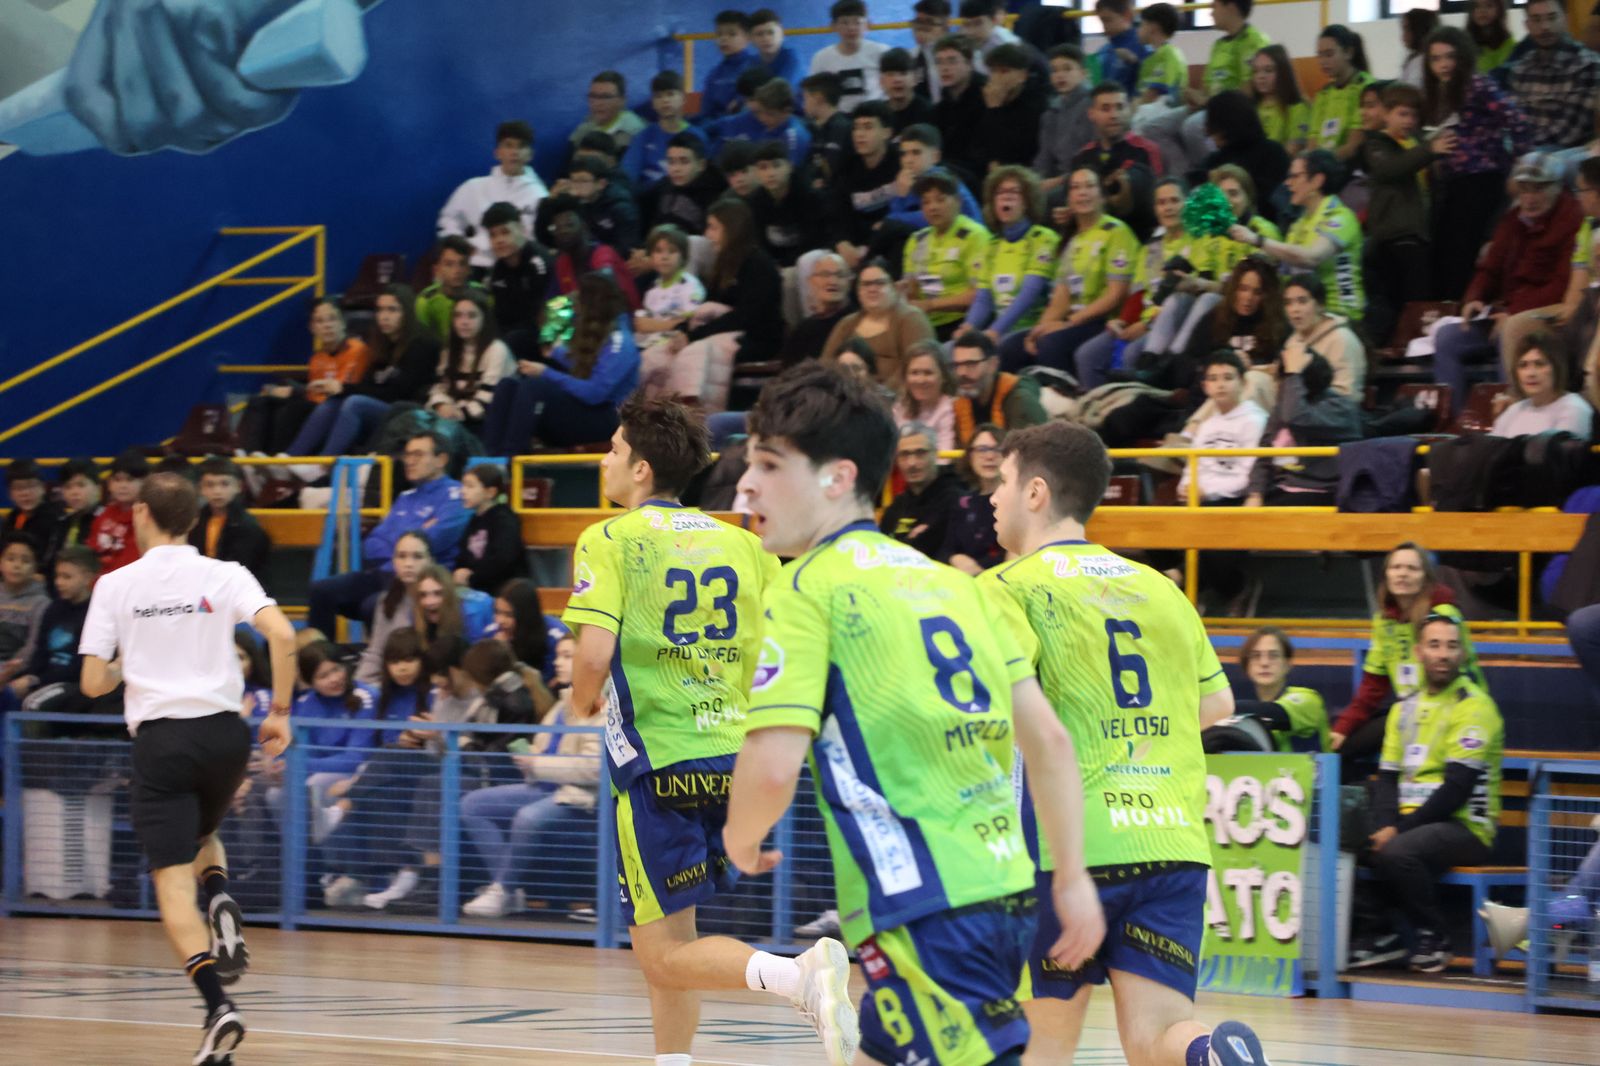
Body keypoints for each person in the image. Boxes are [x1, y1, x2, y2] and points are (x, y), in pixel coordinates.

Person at [730, 363, 1104, 1066]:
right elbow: (1049, 743)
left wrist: (740, 837)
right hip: (1001, 887)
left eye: (769, 464)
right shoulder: (960, 588)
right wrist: (1072, 877)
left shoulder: (806, 588)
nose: (746, 484)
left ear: (837, 478)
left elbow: (773, 767)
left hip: (923, 908)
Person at [980, 419, 1269, 1066]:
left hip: (1064, 847)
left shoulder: (1005, 588)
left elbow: (996, 704)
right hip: (1170, 842)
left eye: (1002, 482)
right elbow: (1218, 706)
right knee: (1157, 1038)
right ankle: (1212, 1054)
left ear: (1035, 493)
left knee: (1042, 1045)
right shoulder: (1161, 589)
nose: (992, 498)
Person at [560, 396, 821, 1064]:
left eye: (613, 450)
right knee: (676, 941)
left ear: (641, 469)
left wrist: (580, 703)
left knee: (661, 955)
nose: (604, 460)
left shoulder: (609, 539)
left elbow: (592, 654)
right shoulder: (745, 544)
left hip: (659, 762)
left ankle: (798, 977)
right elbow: (785, 646)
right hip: (734, 760)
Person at [77, 472, 295, 1065]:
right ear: (195, 519)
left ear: (140, 512)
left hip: (163, 739)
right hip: (225, 735)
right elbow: (282, 634)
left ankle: (217, 1007)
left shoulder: (115, 583)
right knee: (203, 829)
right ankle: (220, 894)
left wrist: (128, 662)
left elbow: (92, 682)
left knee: (171, 882)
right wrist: (279, 713)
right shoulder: (225, 573)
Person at [1350, 613, 1504, 973]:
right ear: (1419, 652)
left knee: (1397, 851)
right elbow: (1387, 778)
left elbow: (1457, 789)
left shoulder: (1475, 707)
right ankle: (1381, 933)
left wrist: (1396, 831)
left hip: (1466, 826)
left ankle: (1435, 938)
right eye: (1434, 645)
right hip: (1411, 821)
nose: (1443, 654)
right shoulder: (1403, 709)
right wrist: (1385, 824)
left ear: (1462, 654)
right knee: (1343, 835)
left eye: (1451, 646)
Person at [459, 634, 601, 918]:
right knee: (472, 805)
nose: (557, 663)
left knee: (527, 817)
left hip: (580, 797)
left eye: (567, 656)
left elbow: (594, 767)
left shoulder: (602, 706)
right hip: (544, 786)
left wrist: (537, 764)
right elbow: (543, 747)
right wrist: (528, 758)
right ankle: (508, 891)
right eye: (558, 656)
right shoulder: (562, 703)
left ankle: (502, 890)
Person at [1434, 153, 1581, 410]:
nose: (1529, 198)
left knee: (1511, 330)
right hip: (1506, 311)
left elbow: (1560, 285)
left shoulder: (1572, 221)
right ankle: (1452, 420)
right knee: (1447, 338)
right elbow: (1489, 267)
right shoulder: (1512, 220)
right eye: (1524, 189)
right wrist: (1475, 298)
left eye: (1538, 189)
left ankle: (1513, 413)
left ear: (1558, 188)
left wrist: (1513, 312)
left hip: (1547, 314)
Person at [1329, 542, 1483, 771]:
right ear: (1386, 575)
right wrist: (1343, 727)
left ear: (1425, 578)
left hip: (1448, 708)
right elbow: (1373, 685)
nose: (1403, 574)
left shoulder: (1443, 614)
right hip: (1407, 710)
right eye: (1396, 567)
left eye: (1412, 568)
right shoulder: (1384, 621)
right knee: (1338, 747)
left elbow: (1462, 673)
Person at [306, 431, 469, 638]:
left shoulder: (456, 496)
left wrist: (400, 541)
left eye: (418, 454)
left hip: (422, 578)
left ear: (441, 460)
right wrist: (411, 537)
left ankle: (379, 655)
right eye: (407, 454)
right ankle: (321, 655)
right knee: (321, 591)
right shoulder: (406, 497)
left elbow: (434, 539)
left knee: (372, 606)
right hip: (385, 573)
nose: (409, 461)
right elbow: (372, 544)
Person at [1422, 26, 1532, 302]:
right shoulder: (1440, 91)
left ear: (1463, 56)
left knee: (1465, 252)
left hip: (1483, 177)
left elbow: (1517, 120)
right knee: (1446, 250)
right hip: (1455, 181)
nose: (1443, 64)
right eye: (1436, 59)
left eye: (1450, 56)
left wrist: (1519, 166)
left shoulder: (1478, 84)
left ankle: (1466, 310)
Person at [1000, 167, 1139, 382]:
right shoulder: (1072, 240)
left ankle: (1062, 396)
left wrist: (1068, 323)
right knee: (1010, 347)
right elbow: (1061, 298)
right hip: (1076, 321)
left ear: (1102, 196)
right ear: (1068, 199)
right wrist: (1037, 330)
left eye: (1089, 186)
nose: (1082, 192)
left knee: (1051, 343)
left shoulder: (1116, 232)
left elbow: (1115, 295)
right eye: (1075, 187)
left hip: (1104, 321)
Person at [482, 271, 641, 451]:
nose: (575, 303)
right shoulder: (606, 332)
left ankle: (511, 457)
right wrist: (556, 353)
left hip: (608, 419)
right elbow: (590, 369)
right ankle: (491, 458)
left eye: (580, 297)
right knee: (508, 385)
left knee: (534, 387)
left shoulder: (621, 342)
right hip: (589, 410)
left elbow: (595, 393)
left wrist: (545, 372)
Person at [300, 285, 442, 458]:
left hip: (408, 412)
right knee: (334, 401)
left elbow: (399, 393)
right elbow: (367, 385)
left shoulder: (422, 345)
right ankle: (291, 458)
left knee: (354, 402)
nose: (384, 316)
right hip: (384, 407)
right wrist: (340, 389)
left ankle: (325, 463)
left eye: (392, 310)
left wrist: (344, 388)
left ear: (407, 312)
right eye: (380, 310)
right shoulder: (381, 345)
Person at [1360, 83, 1450, 349]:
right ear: (1385, 114)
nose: (1409, 121)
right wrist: (1429, 150)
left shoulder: (1417, 143)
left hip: (1418, 236)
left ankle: (1414, 350)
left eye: (1413, 115)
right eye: (1402, 114)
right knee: (1396, 303)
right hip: (1392, 237)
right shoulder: (1376, 143)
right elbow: (1391, 168)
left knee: (1418, 302)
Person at [1230, 149, 1363, 324]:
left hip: (1339, 314)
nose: (1287, 183)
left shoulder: (1340, 217)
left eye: (1295, 176)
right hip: (1303, 311)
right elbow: (1284, 270)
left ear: (1317, 181)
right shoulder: (1299, 223)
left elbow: (1311, 257)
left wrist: (1257, 239)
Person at [240, 298, 371, 456]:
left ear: (343, 322)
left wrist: (295, 392)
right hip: (317, 403)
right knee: (261, 400)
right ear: (312, 328)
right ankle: (249, 454)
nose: (327, 326)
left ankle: (279, 459)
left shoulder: (358, 350)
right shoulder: (317, 358)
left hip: (337, 407)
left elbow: (341, 389)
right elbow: (313, 393)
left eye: (332, 319)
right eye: (320, 321)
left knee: (295, 407)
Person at [1179, 257, 1289, 412]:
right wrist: (1224, 361)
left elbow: (1282, 371)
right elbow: (1188, 362)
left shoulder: (1279, 325)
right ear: (1233, 289)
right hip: (1209, 397)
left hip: (1254, 403)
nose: (1248, 298)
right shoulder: (1215, 317)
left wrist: (1253, 367)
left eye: (1257, 292)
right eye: (1243, 289)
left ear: (1267, 296)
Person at [437, 121, 548, 272]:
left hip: (519, 269)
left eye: (521, 146)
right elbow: (447, 220)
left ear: (530, 154)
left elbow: (538, 240)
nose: (515, 152)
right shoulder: (474, 187)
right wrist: (461, 246)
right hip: (476, 266)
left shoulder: (540, 195)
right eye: (508, 145)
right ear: (497, 152)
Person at [1203, 627, 1331, 753]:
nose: (1264, 663)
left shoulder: (1309, 700)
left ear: (1287, 664)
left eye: (1274, 655)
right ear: (1246, 665)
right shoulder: (1245, 709)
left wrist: (1216, 708)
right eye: (1256, 656)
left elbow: (1276, 713)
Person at [6, 546, 99, 715]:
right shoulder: (53, 608)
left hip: (75, 683)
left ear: (87, 578)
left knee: (32, 704)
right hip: (45, 678)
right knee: (6, 691)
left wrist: (35, 680)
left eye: (67, 577)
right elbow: (40, 652)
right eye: (57, 576)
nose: (59, 582)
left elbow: (81, 667)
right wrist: (26, 677)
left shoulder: (97, 612)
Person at [901, 171, 991, 339]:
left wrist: (931, 305)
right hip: (925, 324)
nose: (932, 207)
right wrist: (901, 291)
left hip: (964, 322)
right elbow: (911, 290)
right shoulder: (917, 240)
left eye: (940, 199)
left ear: (958, 202)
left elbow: (981, 294)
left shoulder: (975, 235)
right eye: (926, 202)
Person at [822, 259, 937, 385]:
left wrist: (879, 394)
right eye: (866, 284)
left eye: (879, 283)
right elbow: (825, 365)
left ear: (894, 287)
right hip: (847, 392)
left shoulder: (911, 319)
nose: (872, 289)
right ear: (858, 291)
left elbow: (915, 366)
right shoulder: (846, 324)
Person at [1507, 0, 1600, 151]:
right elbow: (1514, 120)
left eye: (1552, 17)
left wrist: (1523, 147)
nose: (1545, 27)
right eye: (1536, 20)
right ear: (1527, 25)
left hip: (1567, 153)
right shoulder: (1522, 67)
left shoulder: (1587, 64)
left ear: (1566, 20)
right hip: (1523, 149)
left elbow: (1569, 133)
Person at [425, 290, 512, 435]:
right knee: (403, 409)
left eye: (472, 316)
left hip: (481, 425)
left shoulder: (497, 350)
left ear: (484, 319)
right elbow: (439, 388)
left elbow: (487, 402)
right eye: (458, 315)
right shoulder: (449, 350)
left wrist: (455, 414)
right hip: (453, 418)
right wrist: (441, 405)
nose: (464, 322)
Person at [1192, 92, 1289, 221]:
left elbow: (1273, 202)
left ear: (1226, 125)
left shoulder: (1272, 153)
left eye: (1211, 124)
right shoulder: (1214, 159)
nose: (1207, 131)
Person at [354, 531, 434, 687]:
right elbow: (376, 653)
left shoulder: (439, 600)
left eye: (417, 557)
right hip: (394, 684)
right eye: (401, 556)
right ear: (393, 561)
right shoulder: (386, 601)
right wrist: (358, 687)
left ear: (430, 561)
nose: (408, 564)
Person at [826, 101, 901, 267]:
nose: (859, 134)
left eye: (868, 127)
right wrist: (842, 242)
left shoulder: (901, 164)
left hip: (890, 245)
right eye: (856, 128)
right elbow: (837, 214)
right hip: (854, 245)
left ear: (887, 132)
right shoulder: (846, 168)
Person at [878, 421, 966, 556]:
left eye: (920, 453)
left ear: (935, 454)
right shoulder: (895, 508)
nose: (912, 463)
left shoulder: (957, 500)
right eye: (904, 454)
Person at [540, 194, 641, 309]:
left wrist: (567, 301)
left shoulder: (603, 254)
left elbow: (603, 290)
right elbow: (550, 306)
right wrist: (563, 305)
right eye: (557, 228)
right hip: (586, 318)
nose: (563, 231)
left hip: (622, 315)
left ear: (584, 226)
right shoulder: (562, 263)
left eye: (569, 225)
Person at [1279, 268, 1366, 400]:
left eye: (1302, 301)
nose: (1294, 309)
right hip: (1298, 408)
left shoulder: (1342, 339)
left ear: (1320, 305)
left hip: (1332, 410)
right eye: (1288, 303)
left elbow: (1346, 396)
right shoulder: (1293, 341)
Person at [950, 330, 1048, 443]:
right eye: (957, 365)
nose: (961, 373)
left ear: (993, 364)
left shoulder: (1021, 401)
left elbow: (1039, 450)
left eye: (971, 364)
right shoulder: (958, 404)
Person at [1492, 333, 1595, 438]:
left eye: (1540, 364)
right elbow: (1492, 446)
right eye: (1523, 365)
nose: (1530, 373)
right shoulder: (1514, 410)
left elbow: (1559, 448)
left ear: (1557, 368)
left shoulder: (1574, 409)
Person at [939, 424, 1007, 573]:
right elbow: (945, 550)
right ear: (970, 456)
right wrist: (954, 558)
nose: (989, 456)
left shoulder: (1017, 502)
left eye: (997, 449)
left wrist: (976, 569)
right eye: (982, 449)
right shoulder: (962, 503)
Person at [971, 43, 1048, 174]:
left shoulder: (1036, 105)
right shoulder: (987, 98)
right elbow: (977, 147)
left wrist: (994, 110)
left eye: (1004, 71)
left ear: (1022, 76)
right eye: (993, 71)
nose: (996, 77)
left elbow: (1016, 150)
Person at [452, 464, 528, 596]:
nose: (463, 491)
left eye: (470, 486)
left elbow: (502, 560)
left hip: (504, 591)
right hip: (477, 590)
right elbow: (463, 555)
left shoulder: (504, 520)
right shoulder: (474, 520)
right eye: (463, 485)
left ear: (490, 492)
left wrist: (472, 577)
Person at [748, 141, 827, 268]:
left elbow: (813, 240)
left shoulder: (809, 196)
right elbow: (759, 242)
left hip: (807, 260)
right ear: (756, 173)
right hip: (773, 264)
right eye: (763, 168)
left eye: (776, 165)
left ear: (790, 166)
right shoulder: (755, 201)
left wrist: (785, 265)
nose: (770, 173)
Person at [188, 458, 269, 581]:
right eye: (210, 485)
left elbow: (241, 569)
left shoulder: (247, 526)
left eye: (225, 484)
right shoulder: (195, 522)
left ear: (239, 486)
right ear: (200, 489)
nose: (217, 491)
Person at [623, 72, 706, 188]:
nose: (665, 100)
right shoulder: (643, 137)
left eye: (670, 94)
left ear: (683, 98)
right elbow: (627, 177)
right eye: (658, 96)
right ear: (653, 103)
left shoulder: (697, 136)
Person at [638, 135, 727, 240]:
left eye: (684, 162)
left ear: (701, 165)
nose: (676, 169)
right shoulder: (664, 186)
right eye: (671, 162)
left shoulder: (715, 198)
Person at [809, 0, 889, 112]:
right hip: (838, 117)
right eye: (844, 23)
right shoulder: (820, 58)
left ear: (867, 25)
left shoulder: (882, 52)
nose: (851, 28)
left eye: (857, 22)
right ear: (833, 26)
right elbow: (814, 94)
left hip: (875, 114)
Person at [1308, 26, 1373, 161]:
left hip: (1349, 165)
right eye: (1319, 55)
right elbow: (1312, 142)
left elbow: (1353, 147)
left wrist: (1323, 163)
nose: (1323, 61)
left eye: (1329, 54)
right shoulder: (1323, 94)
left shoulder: (1366, 87)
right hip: (1321, 164)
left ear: (1348, 53)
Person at [1035, 45, 1094, 193]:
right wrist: (1033, 182)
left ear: (1083, 73)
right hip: (1057, 179)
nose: (1060, 75)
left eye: (1067, 69)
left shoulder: (1092, 106)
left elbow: (1092, 158)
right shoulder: (1051, 112)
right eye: (1054, 70)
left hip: (1085, 179)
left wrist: (1059, 181)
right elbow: (1044, 157)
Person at [1072, 82, 1163, 177]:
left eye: (1120, 107)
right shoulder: (1082, 157)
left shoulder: (1148, 151)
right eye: (1105, 109)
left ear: (1129, 110)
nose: (1114, 115)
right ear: (1091, 114)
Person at [781, 253, 855, 366]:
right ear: (811, 282)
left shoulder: (858, 323)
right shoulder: (803, 330)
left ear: (850, 282)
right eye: (825, 274)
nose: (832, 281)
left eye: (840, 275)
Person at [415, 236, 492, 343]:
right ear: (437, 270)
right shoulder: (425, 301)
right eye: (449, 264)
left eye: (462, 263)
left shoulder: (484, 295)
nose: (457, 270)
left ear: (469, 268)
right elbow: (423, 342)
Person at [563, 151, 642, 255]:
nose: (577, 187)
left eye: (583, 181)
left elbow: (627, 247)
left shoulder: (621, 207)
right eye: (574, 181)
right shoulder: (577, 201)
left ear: (601, 183)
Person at [932, 34, 989, 178]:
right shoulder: (941, 107)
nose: (944, 68)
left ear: (969, 64)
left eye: (952, 61)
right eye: (939, 62)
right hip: (950, 170)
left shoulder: (987, 98)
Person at [893, 340, 958, 454]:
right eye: (914, 373)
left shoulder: (951, 408)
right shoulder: (899, 406)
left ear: (943, 376)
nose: (920, 380)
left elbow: (945, 456)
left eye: (928, 373)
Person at [0, 532, 47, 689]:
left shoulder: (41, 603)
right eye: (10, 559)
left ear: (35, 568)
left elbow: (32, 646)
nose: (17, 565)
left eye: (25, 561)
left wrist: (6, 670)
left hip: (13, 672)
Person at [90, 449, 148, 574]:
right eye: (117, 480)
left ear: (144, 482)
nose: (123, 486)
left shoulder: (147, 518)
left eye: (130, 480)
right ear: (109, 483)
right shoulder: (103, 515)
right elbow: (91, 554)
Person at [2, 459, 61, 574]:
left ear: (43, 488)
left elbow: (52, 561)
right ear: (10, 494)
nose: (25, 493)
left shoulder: (57, 518)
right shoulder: (11, 519)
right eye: (18, 488)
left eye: (31, 486)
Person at [1250, 45, 1309, 155]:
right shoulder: (1250, 107)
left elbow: (1293, 149)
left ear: (1283, 72)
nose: (1260, 76)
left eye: (1268, 70)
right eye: (1256, 71)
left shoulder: (1298, 108)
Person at [46, 458, 103, 570]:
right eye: (68, 487)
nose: (74, 492)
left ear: (97, 488)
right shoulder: (62, 523)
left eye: (81, 485)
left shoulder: (106, 521)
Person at [568, 70, 646, 152]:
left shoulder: (632, 133)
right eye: (593, 96)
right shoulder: (586, 126)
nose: (598, 103)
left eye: (606, 97)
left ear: (622, 100)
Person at [800, 72, 854, 186]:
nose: (803, 105)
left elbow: (835, 172)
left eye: (805, 98)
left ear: (818, 98)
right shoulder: (813, 129)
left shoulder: (843, 129)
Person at [1092, 0, 1148, 96]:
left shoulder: (1143, 46)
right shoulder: (1103, 52)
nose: (1104, 27)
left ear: (1127, 16)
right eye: (1102, 21)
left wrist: (1136, 63)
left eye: (1108, 20)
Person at [1135, 4, 1185, 106]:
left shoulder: (1169, 54)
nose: (1137, 30)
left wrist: (1129, 110)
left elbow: (1152, 96)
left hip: (1163, 111)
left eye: (1141, 25)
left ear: (1153, 28)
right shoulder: (1148, 58)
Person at [878, 47, 936, 134]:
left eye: (903, 73)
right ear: (881, 81)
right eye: (891, 74)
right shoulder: (879, 115)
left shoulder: (929, 112)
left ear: (915, 78)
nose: (897, 79)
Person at [911, 0, 953, 103]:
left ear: (946, 25)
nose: (921, 29)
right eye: (918, 22)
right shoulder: (912, 57)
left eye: (928, 23)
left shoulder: (961, 54)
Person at [750, 9, 801, 85]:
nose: (766, 38)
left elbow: (781, 89)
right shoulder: (751, 62)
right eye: (759, 34)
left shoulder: (792, 58)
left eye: (771, 33)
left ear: (782, 35)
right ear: (751, 39)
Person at [1468, 0, 1516, 73]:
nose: (1482, 11)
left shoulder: (1509, 43)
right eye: (1476, 6)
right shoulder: (1465, 42)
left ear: (1499, 10)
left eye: (1489, 5)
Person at [1398, 9, 1439, 88]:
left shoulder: (1420, 63)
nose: (1403, 36)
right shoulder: (1415, 60)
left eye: (1407, 29)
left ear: (1419, 30)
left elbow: (1411, 91)